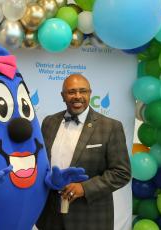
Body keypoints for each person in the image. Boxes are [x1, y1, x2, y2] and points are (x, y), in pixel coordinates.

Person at [36, 74, 131, 230]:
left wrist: (84, 188)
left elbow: (121, 173)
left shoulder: (110, 127)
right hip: (50, 216)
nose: (77, 96)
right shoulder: (49, 122)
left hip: (89, 218)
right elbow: (41, 163)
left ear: (90, 93)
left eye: (83, 91)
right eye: (71, 92)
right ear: (63, 96)